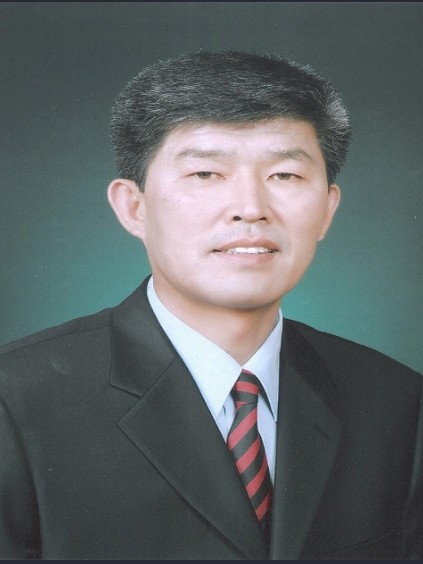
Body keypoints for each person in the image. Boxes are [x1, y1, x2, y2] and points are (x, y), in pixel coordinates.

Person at [0, 50, 421, 561]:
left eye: (285, 175)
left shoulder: (397, 402)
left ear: (328, 209)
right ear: (134, 207)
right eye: (205, 173)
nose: (250, 208)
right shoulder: (15, 401)